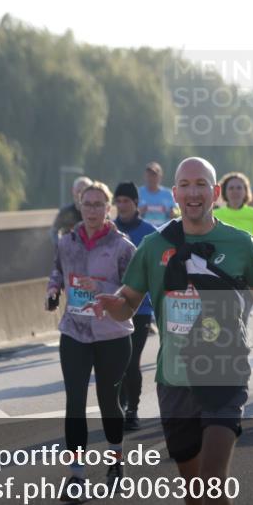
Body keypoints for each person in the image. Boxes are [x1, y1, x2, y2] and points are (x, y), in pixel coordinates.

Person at [91, 157, 253, 505]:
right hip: (175, 377)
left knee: (211, 475)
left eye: (201, 184)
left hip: (225, 370)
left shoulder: (241, 243)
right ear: (175, 194)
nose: (193, 192)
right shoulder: (153, 245)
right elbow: (128, 301)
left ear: (215, 193)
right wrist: (113, 307)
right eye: (184, 185)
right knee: (191, 482)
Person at [47, 181, 135, 495]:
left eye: (99, 204)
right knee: (75, 402)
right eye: (88, 204)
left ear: (108, 209)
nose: (93, 210)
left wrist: (100, 290)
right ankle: (76, 476)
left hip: (111, 333)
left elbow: (133, 291)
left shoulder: (122, 246)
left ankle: (115, 457)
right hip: (74, 330)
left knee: (109, 402)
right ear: (80, 207)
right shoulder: (66, 242)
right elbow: (57, 270)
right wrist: (53, 290)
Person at [112, 181, 157, 431]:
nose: (122, 205)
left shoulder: (150, 233)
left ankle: (132, 410)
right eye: (118, 201)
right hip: (113, 306)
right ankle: (118, 406)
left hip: (141, 308)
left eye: (126, 201)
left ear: (136, 203)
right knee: (114, 363)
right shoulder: (109, 231)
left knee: (131, 361)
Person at [213, 172, 253, 256]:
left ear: (246, 191)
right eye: (231, 188)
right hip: (221, 261)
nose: (235, 191)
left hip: (248, 260)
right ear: (224, 192)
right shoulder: (214, 215)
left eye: (239, 188)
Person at [51, 176, 93, 249]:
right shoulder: (66, 212)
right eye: (79, 191)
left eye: (85, 191)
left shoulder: (98, 212)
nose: (81, 194)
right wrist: (60, 245)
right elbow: (54, 231)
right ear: (73, 191)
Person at [139, 161, 179, 227]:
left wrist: (170, 213)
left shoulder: (168, 194)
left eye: (154, 175)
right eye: (149, 175)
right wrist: (141, 211)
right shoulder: (139, 193)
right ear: (145, 176)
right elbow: (132, 215)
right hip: (144, 231)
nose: (151, 178)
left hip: (164, 231)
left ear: (160, 176)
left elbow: (174, 215)